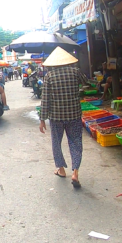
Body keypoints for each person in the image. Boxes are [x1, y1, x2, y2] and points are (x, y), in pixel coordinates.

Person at [39, 47, 89, 189]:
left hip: (56, 116)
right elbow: (86, 83)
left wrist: (42, 119)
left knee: (56, 142)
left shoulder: (49, 76)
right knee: (75, 143)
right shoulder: (75, 72)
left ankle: (61, 170)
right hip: (74, 114)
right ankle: (75, 172)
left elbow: (45, 99)